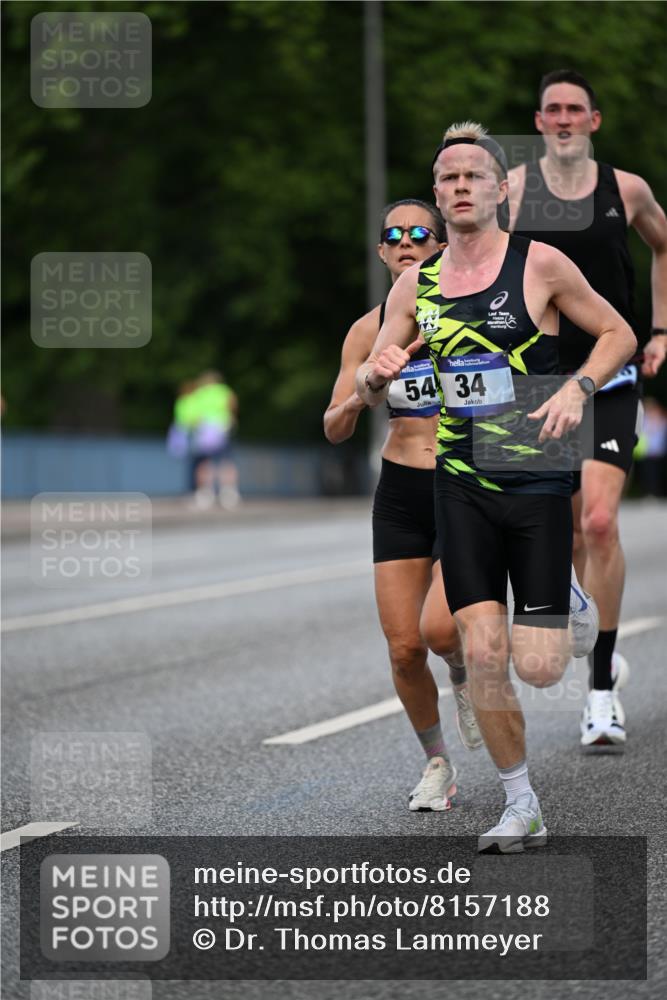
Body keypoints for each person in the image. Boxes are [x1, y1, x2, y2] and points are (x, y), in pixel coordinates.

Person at [356, 122, 636, 852]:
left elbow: (618, 335)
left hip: (537, 475)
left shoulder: (538, 264)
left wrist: (577, 388)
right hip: (460, 480)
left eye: (472, 176)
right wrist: (370, 376)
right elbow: (374, 365)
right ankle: (520, 804)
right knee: (480, 653)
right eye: (446, 178)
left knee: (540, 669)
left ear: (500, 188)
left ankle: (570, 602)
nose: (458, 188)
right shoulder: (418, 284)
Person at [508, 69, 667, 747]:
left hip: (609, 372)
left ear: (593, 121)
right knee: (566, 534)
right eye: (553, 110)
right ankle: (579, 617)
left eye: (576, 109)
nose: (565, 118)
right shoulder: (511, 191)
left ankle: (600, 688)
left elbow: (663, 245)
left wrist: (659, 328)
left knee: (599, 524)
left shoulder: (624, 189)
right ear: (539, 122)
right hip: (536, 382)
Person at [324, 199, 483, 814]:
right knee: (402, 647)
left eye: (422, 232)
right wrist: (367, 390)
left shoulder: (471, 313)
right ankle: (437, 764)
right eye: (395, 235)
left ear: (440, 245)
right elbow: (335, 425)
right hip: (400, 491)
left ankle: (464, 667)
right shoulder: (367, 331)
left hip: (464, 483)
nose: (407, 241)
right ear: (383, 253)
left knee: (439, 629)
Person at [190, 371, 241, 509]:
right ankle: (229, 493)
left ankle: (205, 493)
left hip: (205, 430)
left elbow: (194, 414)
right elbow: (233, 405)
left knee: (205, 462)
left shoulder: (199, 393)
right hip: (223, 428)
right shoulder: (223, 391)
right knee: (226, 461)